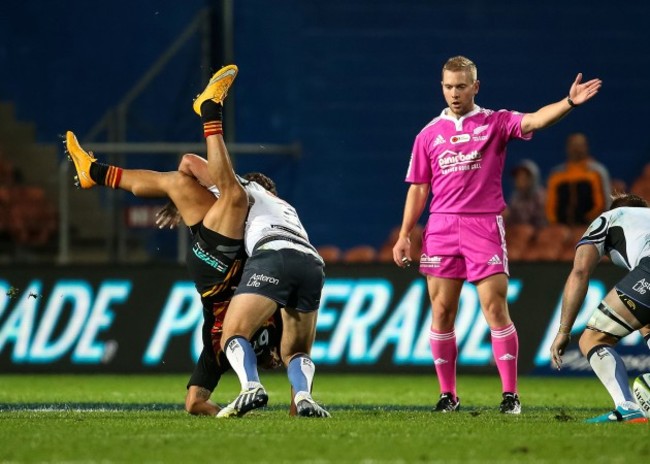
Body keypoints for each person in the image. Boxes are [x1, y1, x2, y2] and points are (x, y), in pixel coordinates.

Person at [392, 55, 602, 414]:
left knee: (494, 308)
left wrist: (568, 103)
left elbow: (535, 118)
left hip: (483, 225)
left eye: (461, 86)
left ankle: (510, 395)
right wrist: (405, 233)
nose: (454, 93)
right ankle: (448, 395)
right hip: (441, 226)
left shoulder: (495, 123)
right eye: (448, 86)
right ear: (441, 87)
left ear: (476, 86)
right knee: (441, 311)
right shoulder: (428, 134)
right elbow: (418, 188)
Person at [63, 125, 283, 415]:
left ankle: (95, 172)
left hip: (212, 268)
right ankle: (209, 114)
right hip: (219, 270)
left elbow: (188, 163)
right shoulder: (252, 206)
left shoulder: (218, 347)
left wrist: (177, 204)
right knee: (215, 194)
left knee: (178, 185)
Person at [188, 65, 330, 418]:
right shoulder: (286, 205)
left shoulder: (247, 190)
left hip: (273, 255)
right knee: (295, 352)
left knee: (232, 332)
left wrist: (189, 199)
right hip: (312, 263)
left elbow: (195, 164)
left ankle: (251, 387)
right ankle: (303, 397)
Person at [550, 193, 650, 423]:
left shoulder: (609, 218)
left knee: (592, 340)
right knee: (646, 322)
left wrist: (564, 331)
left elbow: (580, 272)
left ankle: (627, 407)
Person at [545, 132, 612, 226]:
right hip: (560, 228)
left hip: (589, 226)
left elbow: (604, 203)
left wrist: (589, 222)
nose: (576, 149)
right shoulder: (556, 174)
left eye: (580, 145)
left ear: (586, 147)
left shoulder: (597, 171)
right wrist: (554, 224)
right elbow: (550, 207)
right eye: (573, 145)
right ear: (567, 148)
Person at [504, 159, 547, 229]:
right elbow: (511, 218)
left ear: (533, 179)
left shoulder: (541, 196)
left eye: (524, 177)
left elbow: (542, 222)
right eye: (518, 177)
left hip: (538, 232)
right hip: (520, 232)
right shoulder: (515, 197)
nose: (520, 180)